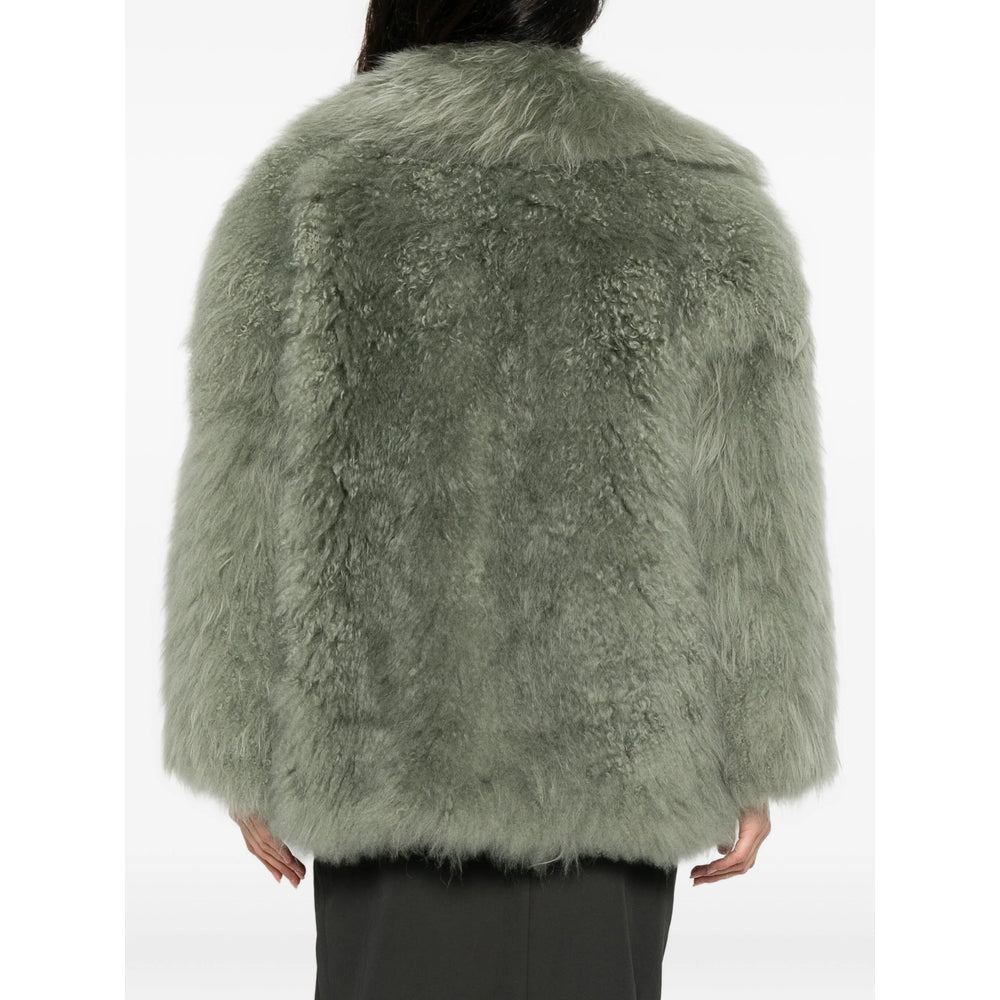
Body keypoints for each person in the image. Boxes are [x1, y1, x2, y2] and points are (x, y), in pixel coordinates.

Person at [159, 2, 840, 997]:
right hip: (613, 778)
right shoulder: (701, 198)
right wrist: (760, 746)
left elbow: (243, 479)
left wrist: (235, 741)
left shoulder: (311, 184)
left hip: (382, 771)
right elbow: (754, 512)